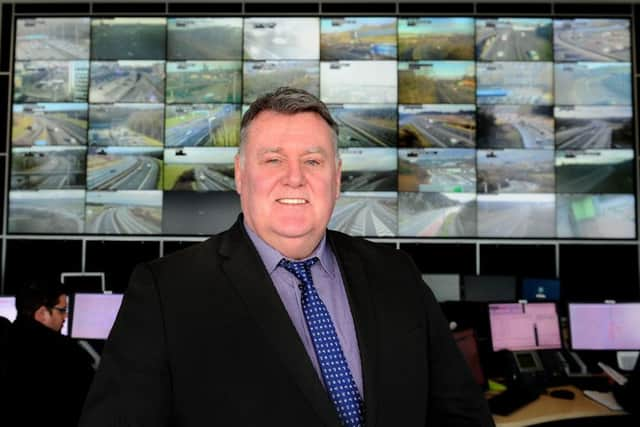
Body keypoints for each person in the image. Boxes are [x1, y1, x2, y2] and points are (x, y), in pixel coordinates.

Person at [80, 87, 493, 427]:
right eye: (273, 159)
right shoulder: (166, 292)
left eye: (313, 161)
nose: (294, 177)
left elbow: (462, 416)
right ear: (241, 175)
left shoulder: (396, 274)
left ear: (336, 178)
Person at [3, 280, 94, 425]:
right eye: (62, 310)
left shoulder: (6, 340)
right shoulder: (68, 355)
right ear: (41, 314)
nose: (66, 317)